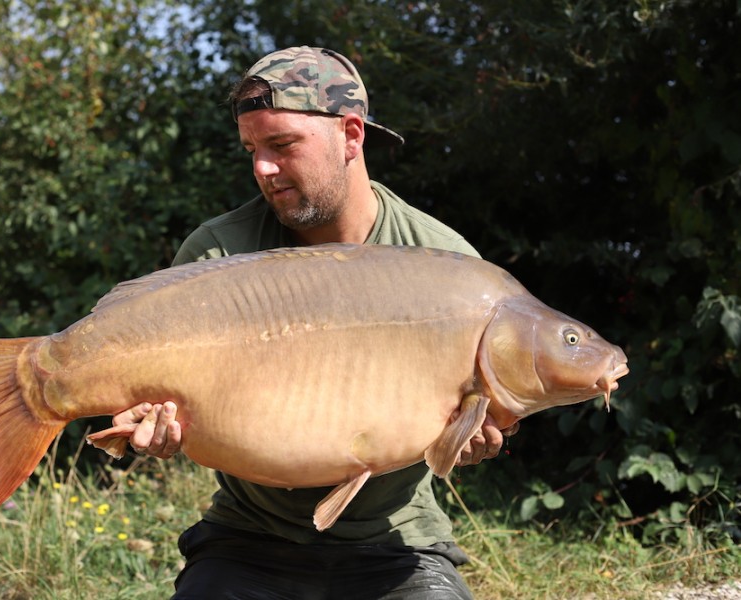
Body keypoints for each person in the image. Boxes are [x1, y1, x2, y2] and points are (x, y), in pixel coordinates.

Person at [112, 46, 517, 599]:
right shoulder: (218, 253)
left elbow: (476, 419)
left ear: (352, 136)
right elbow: (149, 393)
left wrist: (476, 437)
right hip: (247, 540)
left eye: (281, 145)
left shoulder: (446, 264)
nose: (262, 167)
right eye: (251, 148)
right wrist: (151, 428)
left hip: (397, 544)